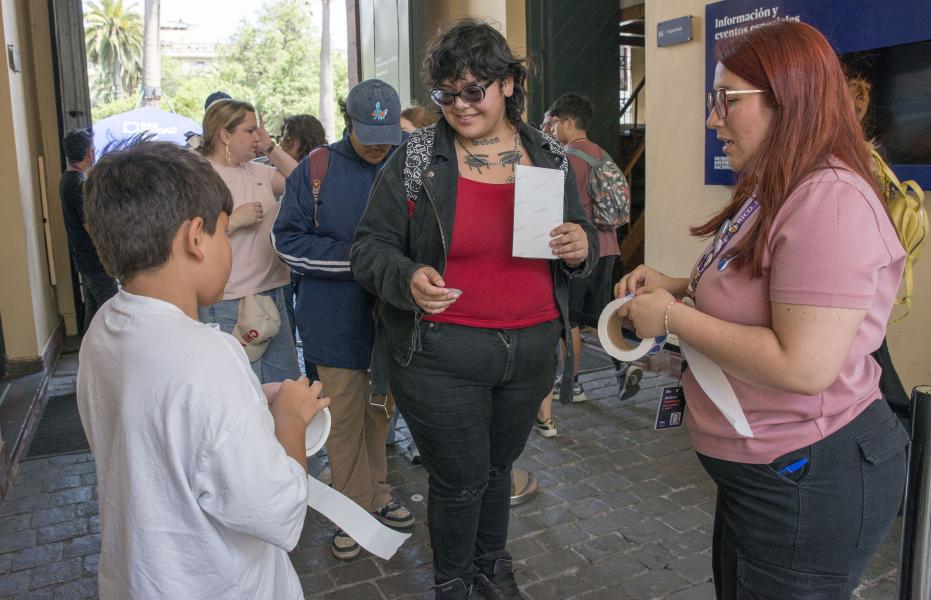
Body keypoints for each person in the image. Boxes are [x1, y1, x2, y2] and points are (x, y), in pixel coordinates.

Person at [615, 21, 908, 599]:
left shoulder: (831, 201)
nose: (712, 119)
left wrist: (672, 319)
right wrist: (675, 285)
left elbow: (803, 365)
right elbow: (757, 288)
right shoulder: (777, 185)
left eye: (727, 101)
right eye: (711, 100)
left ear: (788, 100)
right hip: (768, 474)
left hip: (807, 475)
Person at [351, 20, 597, 599]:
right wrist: (407, 276)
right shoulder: (416, 159)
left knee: (495, 472)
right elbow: (368, 248)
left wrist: (580, 245)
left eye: (473, 91)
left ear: (508, 83)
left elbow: (577, 234)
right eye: (446, 94)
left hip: (530, 348)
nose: (459, 106)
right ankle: (454, 581)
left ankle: (490, 564)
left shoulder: (548, 155)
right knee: (459, 479)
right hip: (441, 352)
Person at [78, 138, 330, 599]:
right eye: (223, 231)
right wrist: (290, 421)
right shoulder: (208, 356)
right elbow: (278, 512)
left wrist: (253, 402)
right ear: (196, 238)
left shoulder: (105, 328)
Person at [272, 79, 414, 561]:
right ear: (348, 123)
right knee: (345, 421)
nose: (379, 145)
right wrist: (361, 259)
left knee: (380, 414)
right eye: (369, 133)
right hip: (333, 323)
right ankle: (351, 511)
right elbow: (287, 241)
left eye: (387, 134)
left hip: (390, 322)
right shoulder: (317, 168)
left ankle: (377, 492)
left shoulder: (405, 162)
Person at [535, 93, 641, 437]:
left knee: (572, 322)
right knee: (602, 314)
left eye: (554, 122)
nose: (551, 128)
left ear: (567, 122)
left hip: (579, 252)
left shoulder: (566, 159)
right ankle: (624, 364)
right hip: (609, 247)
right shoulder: (600, 154)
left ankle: (574, 383)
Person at [196, 99, 301, 384]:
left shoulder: (258, 171)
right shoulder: (199, 176)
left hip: (272, 293)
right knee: (239, 386)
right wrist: (231, 222)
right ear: (224, 134)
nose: (257, 136)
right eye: (250, 130)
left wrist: (270, 148)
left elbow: (303, 179)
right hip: (228, 300)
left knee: (285, 384)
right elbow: (187, 239)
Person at [276, 113, 328, 346]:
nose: (281, 145)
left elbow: (297, 174)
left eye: (286, 140)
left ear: (297, 141)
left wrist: (269, 148)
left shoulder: (318, 167)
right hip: (296, 258)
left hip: (312, 257)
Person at [59, 128, 118, 332]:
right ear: (89, 153)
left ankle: (87, 359)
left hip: (83, 259)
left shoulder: (68, 180)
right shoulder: (78, 184)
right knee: (110, 312)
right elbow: (90, 225)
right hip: (95, 260)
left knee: (93, 316)